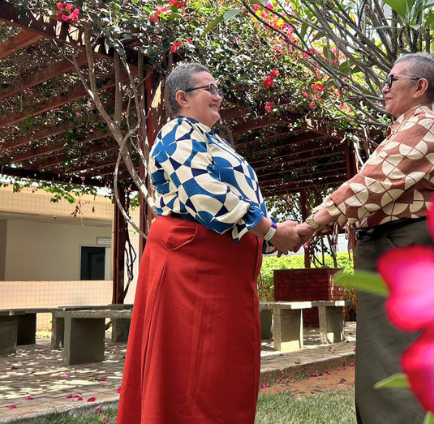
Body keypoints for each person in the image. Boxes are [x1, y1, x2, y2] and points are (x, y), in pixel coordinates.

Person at [295, 53, 434, 424]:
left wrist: (311, 223)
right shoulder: (413, 127)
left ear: (420, 87)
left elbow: (373, 182)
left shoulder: (425, 125)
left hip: (401, 250)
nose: (383, 89)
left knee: (398, 359)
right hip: (405, 248)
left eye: (391, 80)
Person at [116, 62, 301, 424]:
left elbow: (237, 202)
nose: (218, 96)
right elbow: (208, 196)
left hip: (221, 267)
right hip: (194, 264)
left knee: (223, 365)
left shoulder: (211, 139)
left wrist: (273, 235)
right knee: (193, 368)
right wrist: (271, 231)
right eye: (209, 89)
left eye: (218, 89)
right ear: (182, 97)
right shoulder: (176, 134)